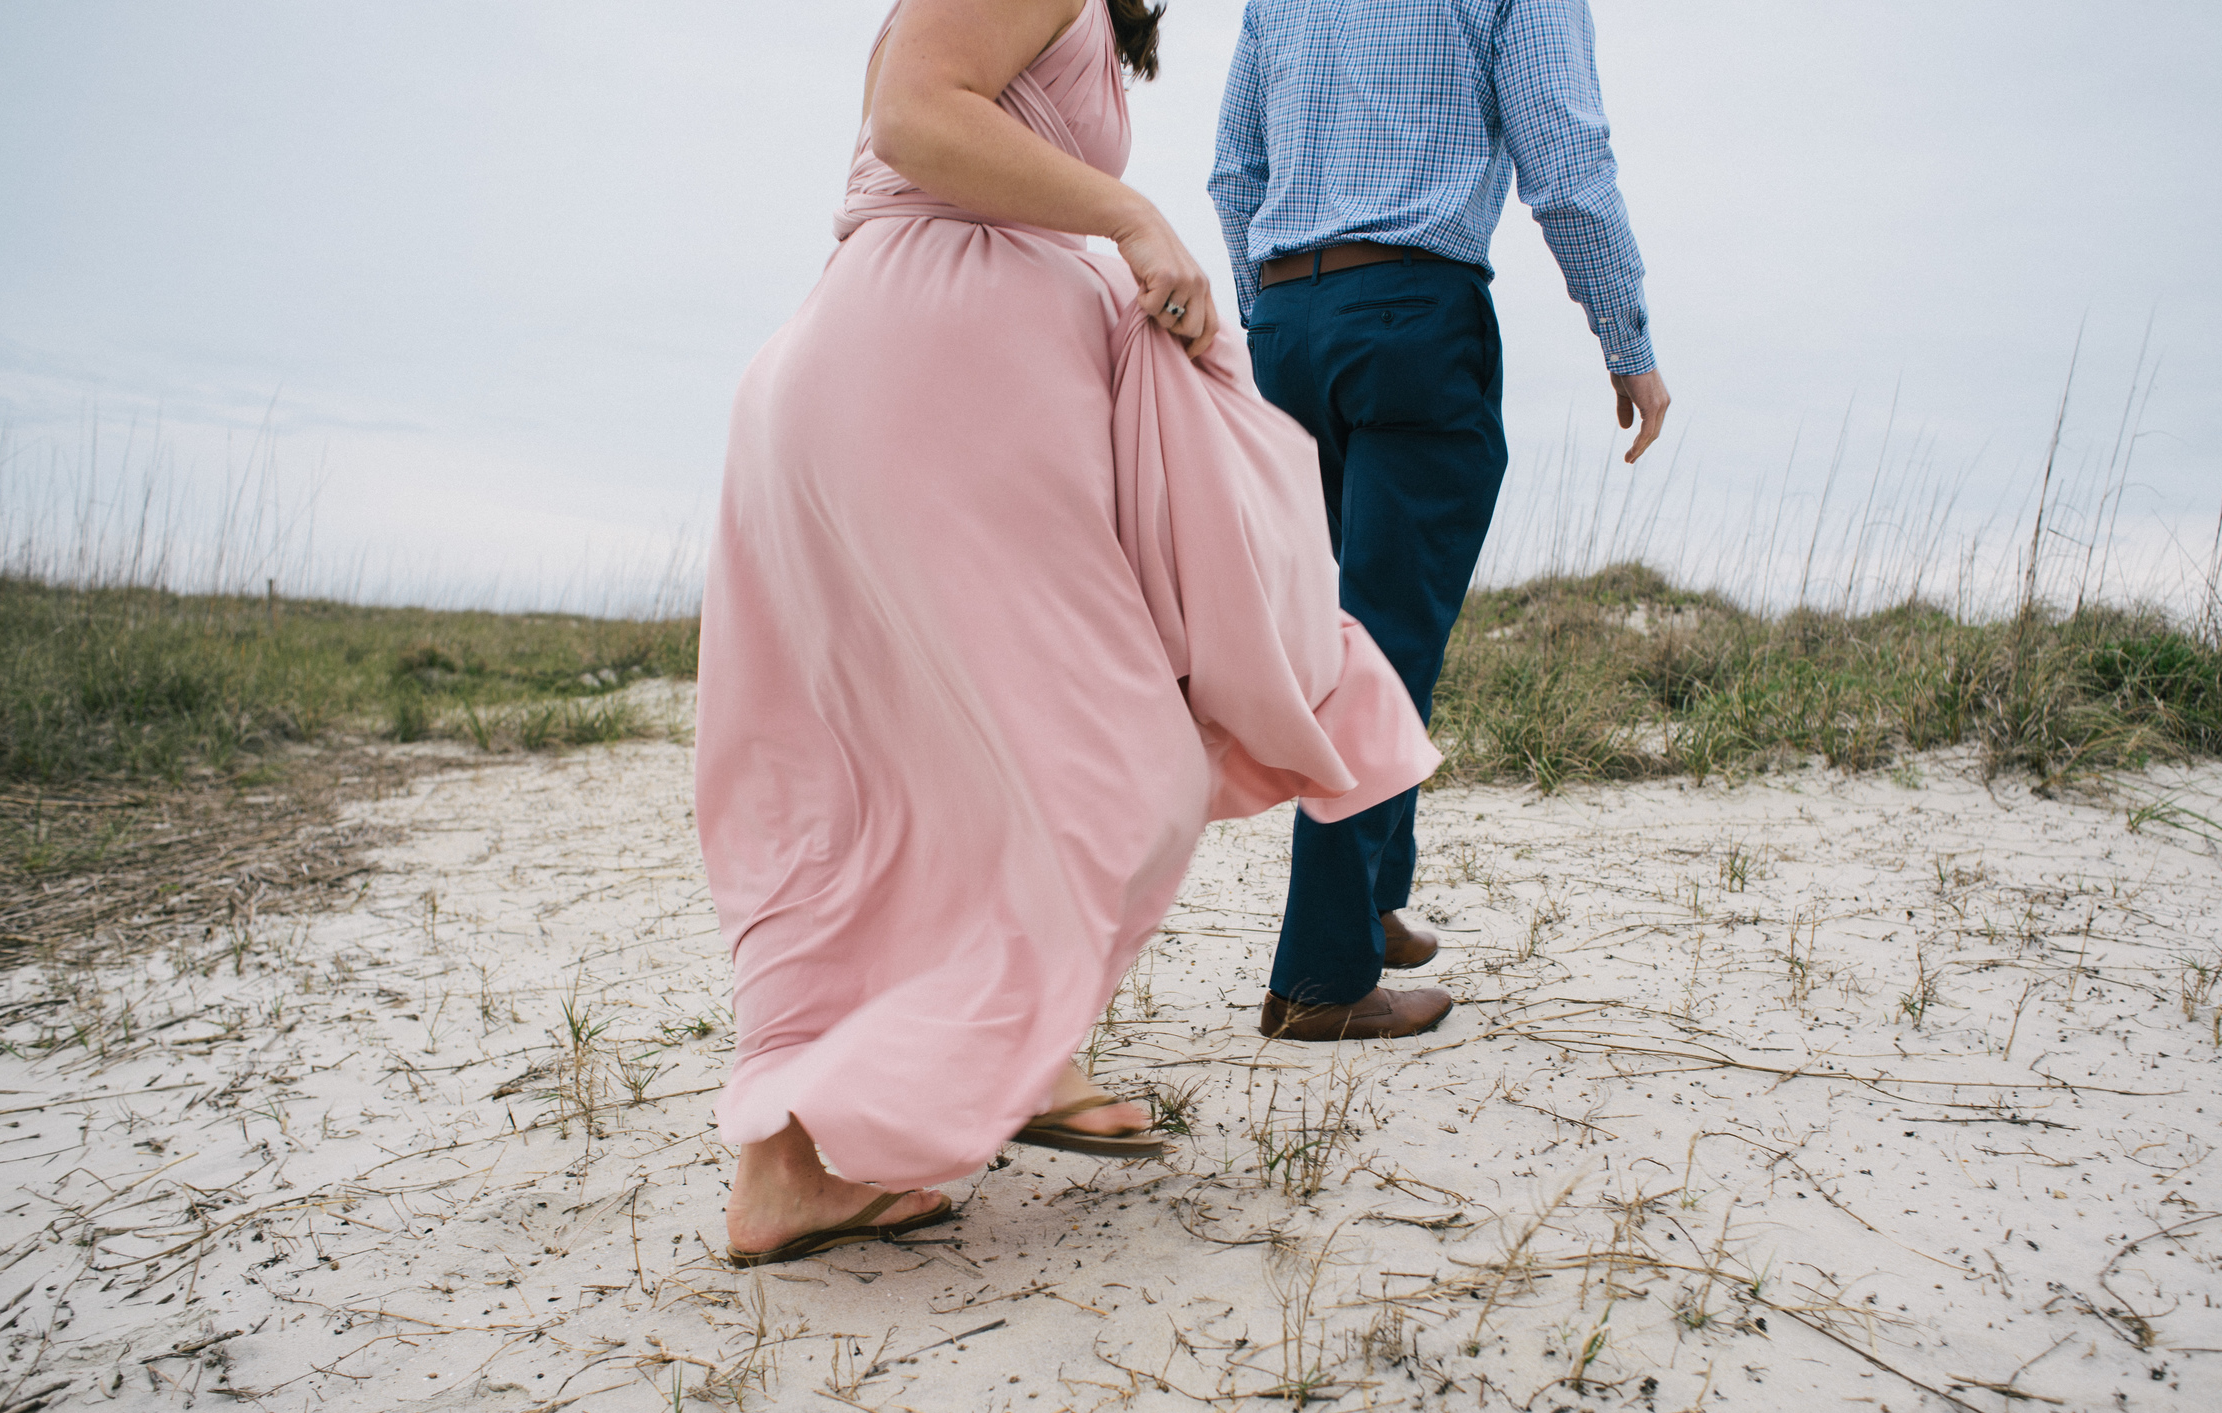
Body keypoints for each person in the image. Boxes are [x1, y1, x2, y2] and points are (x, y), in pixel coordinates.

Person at [695, 0, 1440, 1265]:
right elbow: (917, 116)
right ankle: (935, 1080)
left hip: (877, 363)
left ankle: (836, 1143)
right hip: (934, 377)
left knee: (896, 777)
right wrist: (1131, 217)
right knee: (1117, 769)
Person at [1210, 0, 1672, 1041]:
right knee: (1388, 632)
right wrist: (1625, 337)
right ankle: (1322, 980)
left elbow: (1235, 172)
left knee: (1352, 629)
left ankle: (1369, 900)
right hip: (1413, 315)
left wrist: (1276, 315)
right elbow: (1565, 156)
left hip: (1288, 320)